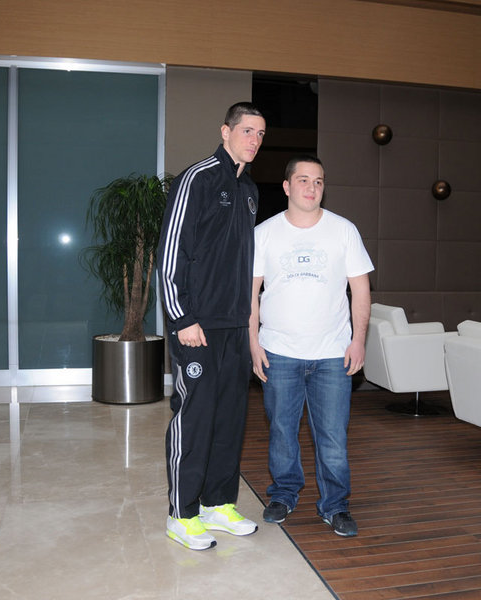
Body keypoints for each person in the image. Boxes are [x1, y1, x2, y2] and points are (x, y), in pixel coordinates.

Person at [157, 102, 266, 551]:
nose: (254, 140)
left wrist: (249, 323)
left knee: (229, 419)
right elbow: (171, 253)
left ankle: (217, 503)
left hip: (234, 327)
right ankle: (181, 514)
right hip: (196, 326)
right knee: (196, 417)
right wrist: (182, 318)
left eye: (260, 134)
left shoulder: (250, 190)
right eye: (247, 131)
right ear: (226, 131)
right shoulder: (197, 178)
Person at [249, 155, 374, 537]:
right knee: (282, 432)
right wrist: (252, 343)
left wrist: (358, 340)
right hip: (279, 352)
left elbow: (361, 291)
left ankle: (335, 506)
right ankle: (284, 494)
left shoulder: (344, 231)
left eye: (318, 181)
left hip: (332, 354)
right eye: (303, 180)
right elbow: (249, 294)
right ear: (287, 186)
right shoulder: (264, 233)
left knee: (333, 438)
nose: (312, 187)